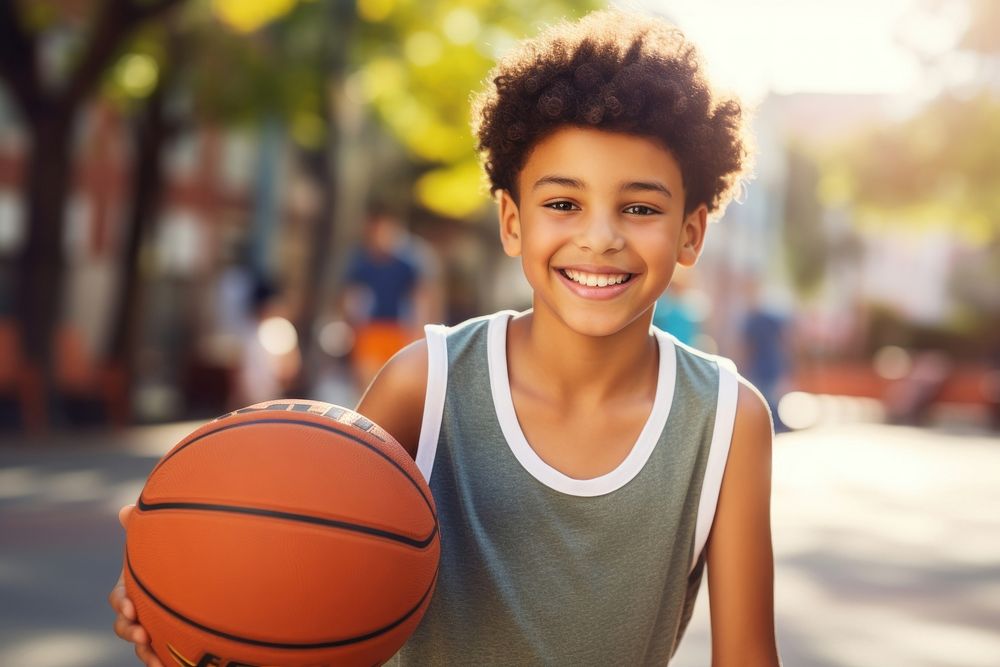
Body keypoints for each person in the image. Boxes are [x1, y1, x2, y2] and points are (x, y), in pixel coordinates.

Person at [110, 10, 779, 665]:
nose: (599, 236)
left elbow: (748, 654)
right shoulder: (426, 383)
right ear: (512, 221)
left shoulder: (725, 419)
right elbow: (303, 573)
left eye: (639, 207)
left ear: (691, 231)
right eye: (563, 203)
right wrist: (184, 585)